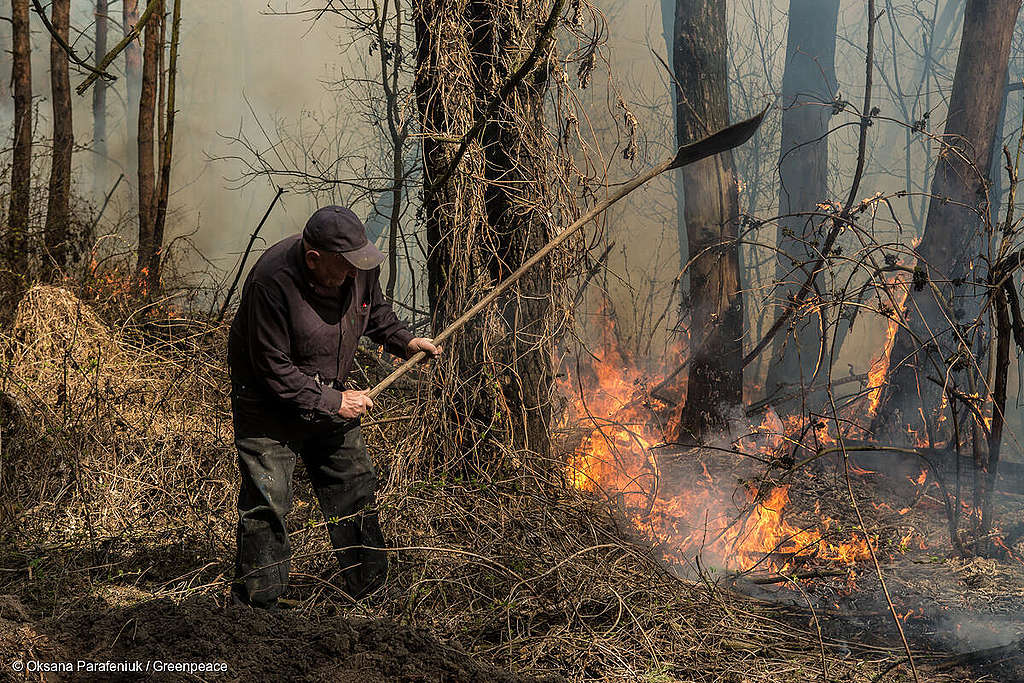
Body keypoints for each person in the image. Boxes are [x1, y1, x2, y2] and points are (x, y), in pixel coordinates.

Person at [227, 205, 440, 608]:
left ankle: (371, 596)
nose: (355, 273)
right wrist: (334, 401)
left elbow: (375, 312)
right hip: (267, 404)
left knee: (354, 488)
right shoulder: (271, 282)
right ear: (314, 259)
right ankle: (256, 608)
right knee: (268, 500)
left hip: (329, 395)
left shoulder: (359, 266)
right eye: (345, 266)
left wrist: (405, 341)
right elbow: (272, 368)